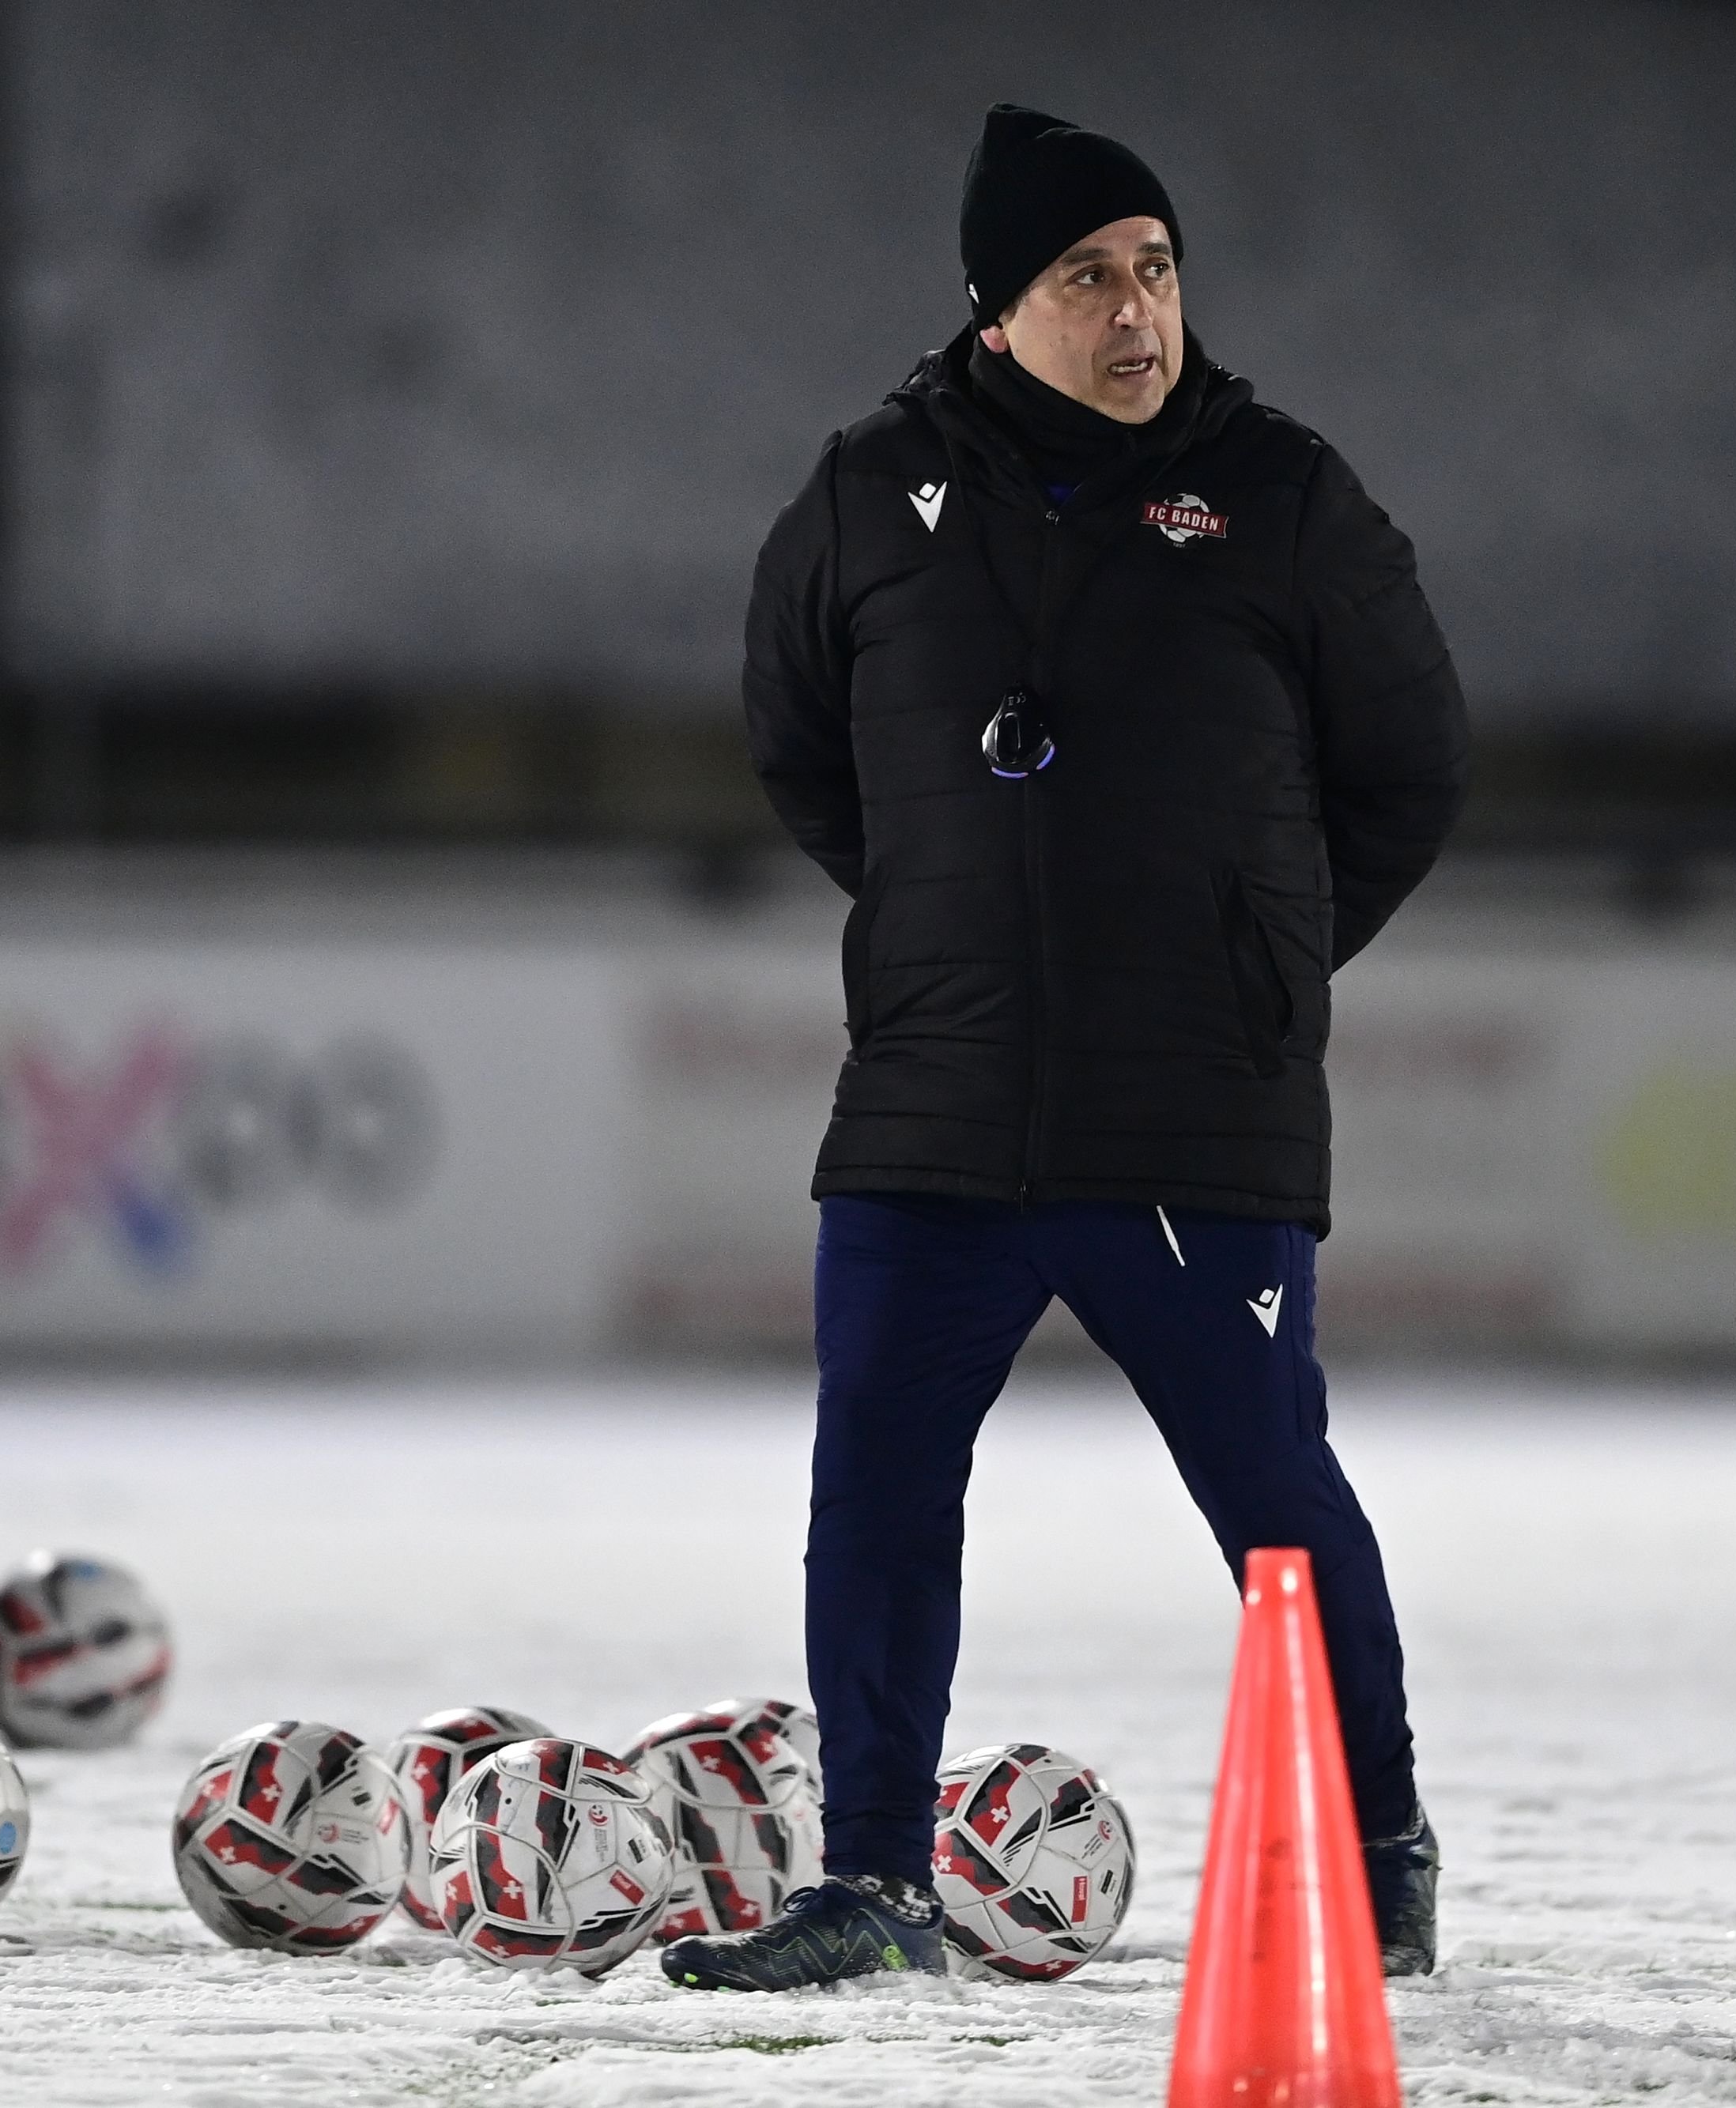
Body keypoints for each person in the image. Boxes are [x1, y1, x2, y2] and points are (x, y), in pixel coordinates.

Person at [662, 104, 1468, 1993]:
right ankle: (867, 1873)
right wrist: (954, 923)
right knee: (871, 1471)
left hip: (1192, 1105)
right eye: (1086, 276)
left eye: (1156, 269)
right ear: (995, 308)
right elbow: (795, 738)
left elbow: (1411, 769)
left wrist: (1253, 956)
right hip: (934, 1097)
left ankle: (1372, 1842)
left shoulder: (1282, 493)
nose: (1136, 312)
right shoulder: (871, 486)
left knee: (1271, 1496)